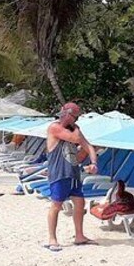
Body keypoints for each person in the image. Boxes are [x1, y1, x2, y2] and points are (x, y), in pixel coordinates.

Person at [45, 103, 99, 251]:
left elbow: (88, 146)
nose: (76, 119)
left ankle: (79, 235)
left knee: (80, 203)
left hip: (73, 173)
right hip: (59, 173)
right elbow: (76, 139)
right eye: (75, 116)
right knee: (56, 205)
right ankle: (52, 238)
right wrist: (76, 129)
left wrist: (94, 162)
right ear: (67, 114)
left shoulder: (74, 129)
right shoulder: (54, 128)